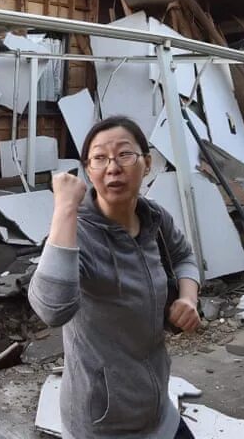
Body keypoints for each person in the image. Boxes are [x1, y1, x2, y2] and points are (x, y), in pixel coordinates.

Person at [28, 116, 201, 439]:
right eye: (99, 158)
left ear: (146, 163)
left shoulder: (155, 218)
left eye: (124, 154)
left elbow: (184, 257)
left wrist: (187, 297)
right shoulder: (75, 234)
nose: (113, 167)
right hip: (102, 423)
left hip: (157, 408)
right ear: (88, 170)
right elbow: (52, 308)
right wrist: (65, 206)